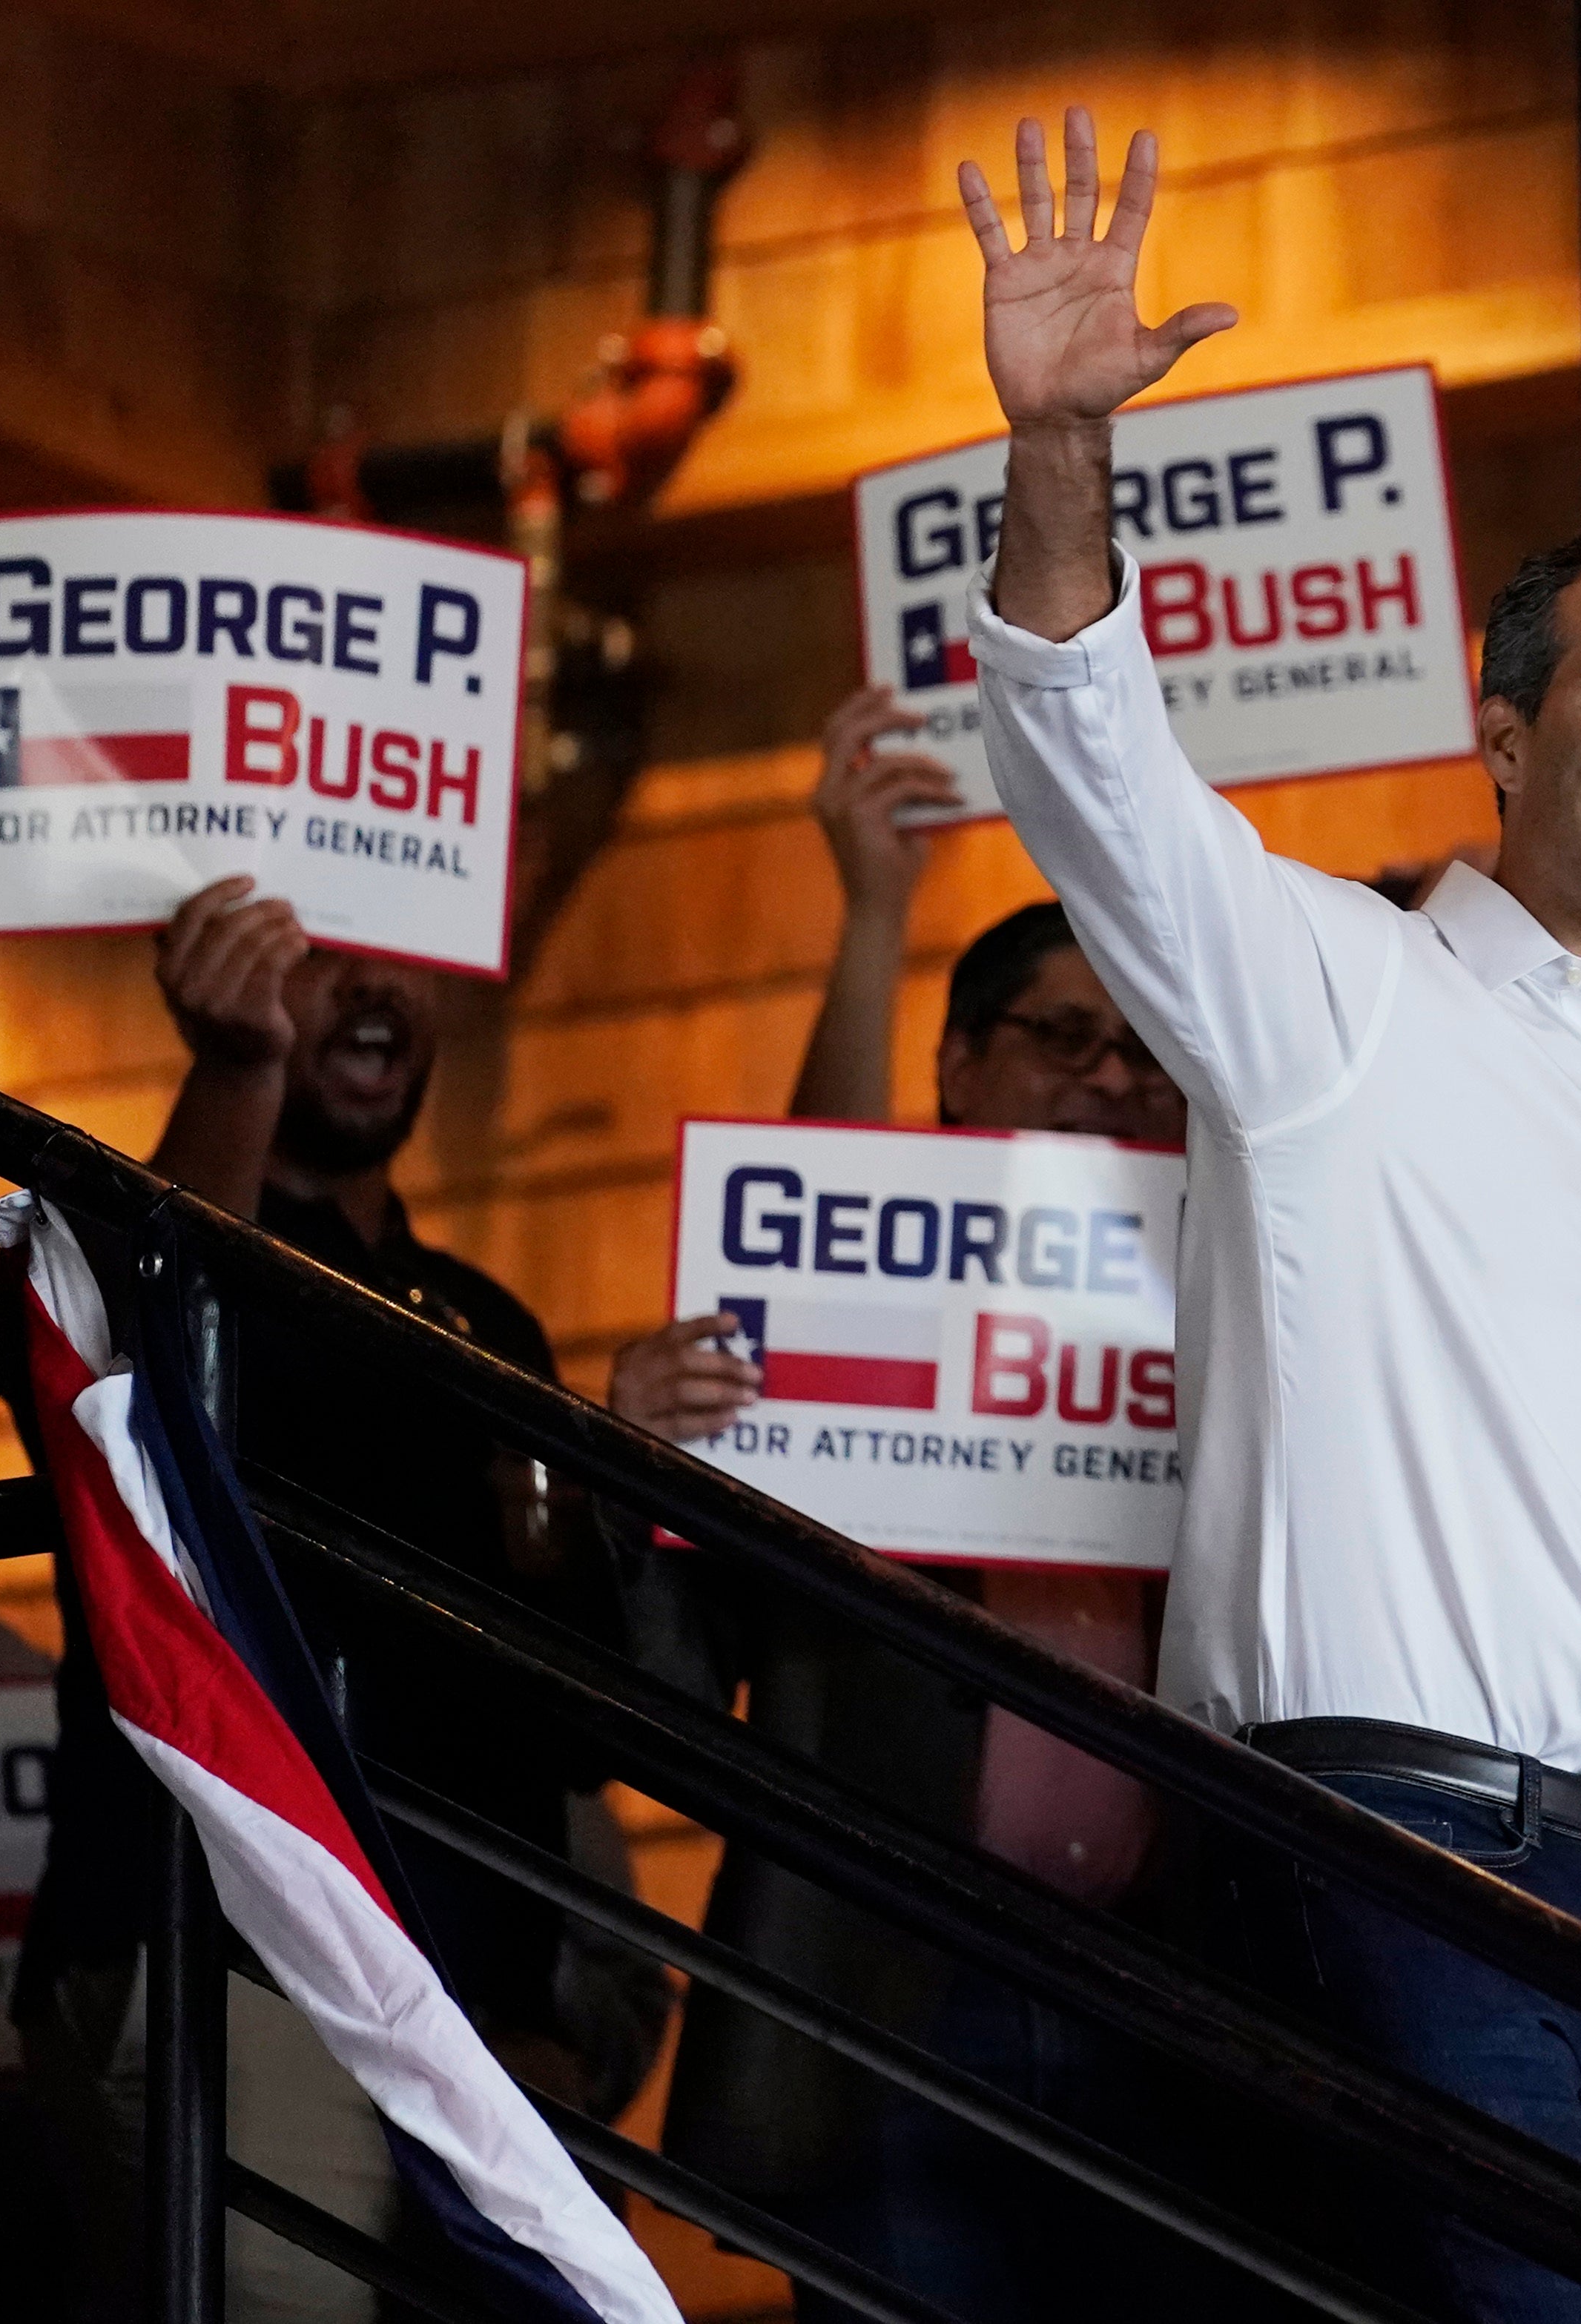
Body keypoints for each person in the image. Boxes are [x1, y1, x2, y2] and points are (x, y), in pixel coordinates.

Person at [951, 109, 1581, 2320]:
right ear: (1505, 735)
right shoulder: (1342, 991)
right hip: (1381, 1850)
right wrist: (1062, 450)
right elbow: (1094, 765)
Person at [604, 685, 1219, 2322]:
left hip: (1172, 2001)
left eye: (1142, 1051)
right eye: (1059, 1036)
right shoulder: (873, 1323)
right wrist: (875, 909)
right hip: (898, 1999)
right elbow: (811, 1231)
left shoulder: (1232, 1307)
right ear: (959, 1063)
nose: (1108, 1077)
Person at [0, 877, 639, 2324]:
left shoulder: (488, 1317)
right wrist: (239, 1068)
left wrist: (525, 2000)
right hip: (228, 1959)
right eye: (322, 940)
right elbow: (140, 1357)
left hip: (469, 2001)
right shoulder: (121, 1228)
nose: (370, 982)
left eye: (410, 937)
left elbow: (558, 1712)